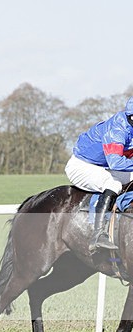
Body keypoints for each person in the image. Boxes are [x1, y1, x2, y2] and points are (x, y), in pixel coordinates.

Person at [65, 96, 133, 252]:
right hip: (82, 166)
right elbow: (116, 163)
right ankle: (98, 234)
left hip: (104, 166)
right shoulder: (117, 129)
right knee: (113, 184)